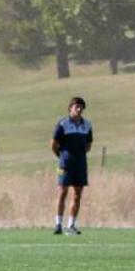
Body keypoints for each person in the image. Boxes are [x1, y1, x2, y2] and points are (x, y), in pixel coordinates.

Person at [51, 97, 93, 235]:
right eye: (76, 107)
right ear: (70, 108)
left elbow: (88, 145)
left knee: (77, 194)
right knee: (62, 191)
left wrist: (79, 155)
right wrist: (62, 156)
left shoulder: (87, 125)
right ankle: (58, 224)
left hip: (80, 164)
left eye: (81, 107)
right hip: (64, 164)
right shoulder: (63, 124)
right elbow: (53, 144)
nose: (79, 109)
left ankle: (71, 226)